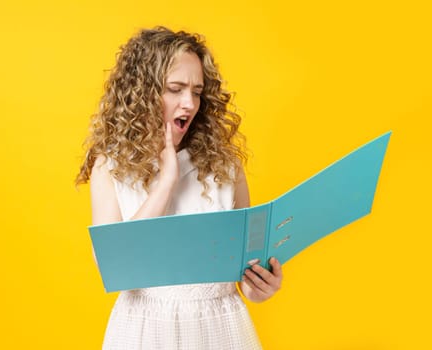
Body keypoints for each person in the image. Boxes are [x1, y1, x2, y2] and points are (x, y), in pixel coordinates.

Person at [76, 26, 283, 349]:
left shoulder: (225, 165)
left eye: (197, 92)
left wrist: (259, 287)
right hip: (144, 330)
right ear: (141, 93)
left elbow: (247, 267)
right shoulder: (110, 167)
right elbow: (113, 266)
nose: (189, 103)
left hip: (220, 328)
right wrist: (166, 183)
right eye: (175, 88)